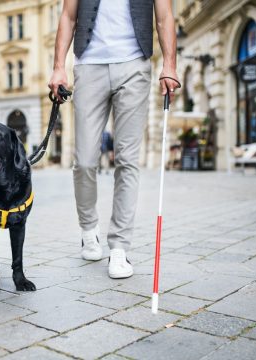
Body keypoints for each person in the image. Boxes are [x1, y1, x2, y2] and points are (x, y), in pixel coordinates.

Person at [49, 0, 180, 279]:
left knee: (127, 160)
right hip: (89, 66)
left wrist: (170, 64)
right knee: (84, 160)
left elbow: (165, 16)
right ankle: (88, 230)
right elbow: (68, 17)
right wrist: (59, 67)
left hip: (134, 66)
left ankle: (119, 247)